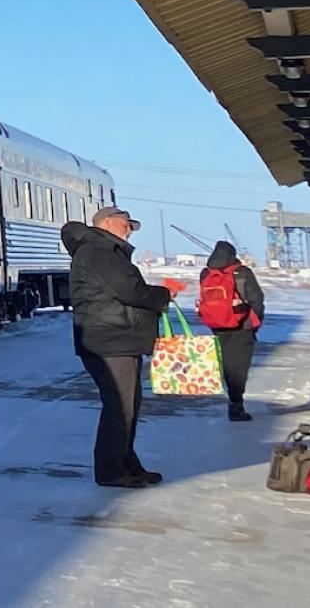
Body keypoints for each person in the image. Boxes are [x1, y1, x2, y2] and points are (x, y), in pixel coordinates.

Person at [61, 206, 181, 488]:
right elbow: (130, 292)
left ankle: (126, 463)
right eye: (126, 223)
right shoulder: (100, 252)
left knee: (127, 406)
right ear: (107, 223)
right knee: (120, 407)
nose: (129, 229)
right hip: (110, 340)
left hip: (115, 339)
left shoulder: (104, 251)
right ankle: (111, 471)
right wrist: (164, 293)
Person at [192, 240, 266, 421]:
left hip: (217, 325)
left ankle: (233, 400)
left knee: (227, 363)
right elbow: (256, 298)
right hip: (242, 326)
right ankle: (236, 405)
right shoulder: (242, 272)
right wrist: (255, 321)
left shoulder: (206, 273)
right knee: (238, 366)